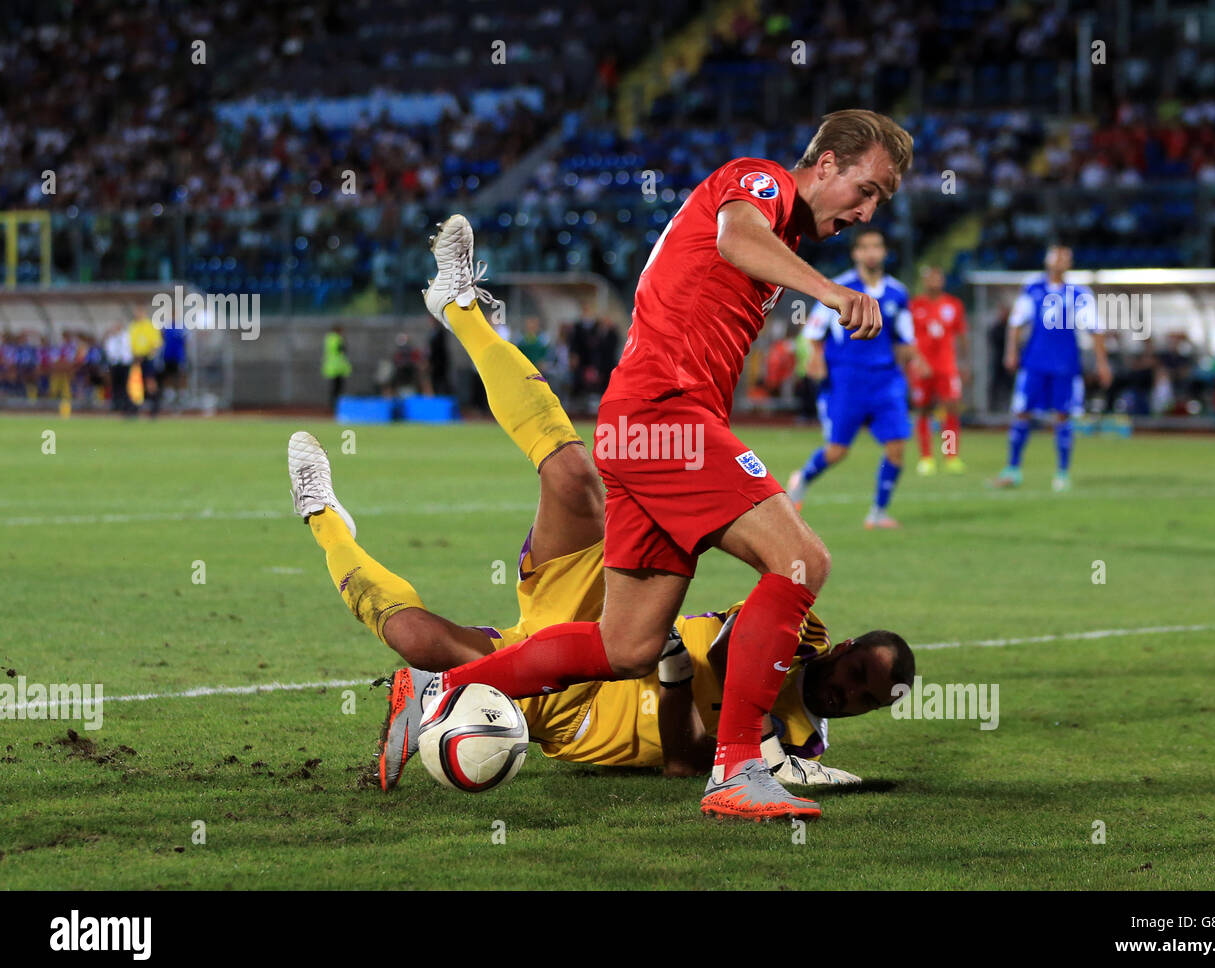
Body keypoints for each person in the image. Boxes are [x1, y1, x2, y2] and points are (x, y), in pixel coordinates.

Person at [402, 108, 912, 821]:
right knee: (801, 563)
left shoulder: (780, 230)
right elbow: (736, 236)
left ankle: (443, 689)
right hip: (666, 416)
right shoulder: (759, 183)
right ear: (825, 164)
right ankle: (736, 768)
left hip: (644, 424)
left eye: (879, 203)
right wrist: (830, 293)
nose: (865, 212)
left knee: (628, 645)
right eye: (868, 190)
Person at [286, 325, 914, 790]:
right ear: (845, 648)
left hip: (574, 713)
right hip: (605, 620)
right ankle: (462, 308)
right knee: (571, 478)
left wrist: (673, 676)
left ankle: (324, 521)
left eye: (865, 699)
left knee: (417, 640)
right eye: (857, 674)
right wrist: (762, 738)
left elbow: (683, 763)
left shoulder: (804, 746)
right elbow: (726, 651)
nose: (846, 693)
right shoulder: (802, 628)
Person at [785, 228, 923, 529]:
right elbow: (812, 334)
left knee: (897, 445)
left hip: (886, 380)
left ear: (884, 252)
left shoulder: (898, 293)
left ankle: (878, 512)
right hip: (847, 379)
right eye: (866, 247)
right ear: (856, 254)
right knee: (837, 451)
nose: (872, 252)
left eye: (877, 246)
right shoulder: (839, 289)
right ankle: (803, 478)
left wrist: (916, 360)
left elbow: (904, 337)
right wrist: (814, 361)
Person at [993, 244, 1111, 492]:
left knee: (1063, 415)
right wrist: (1011, 351)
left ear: (1070, 263)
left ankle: (1062, 473)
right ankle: (1013, 469)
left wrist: (1102, 362)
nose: (1059, 261)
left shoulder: (1079, 293)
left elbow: (1096, 328)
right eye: (1056, 256)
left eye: (1064, 257)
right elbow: (1016, 322)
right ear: (1047, 260)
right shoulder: (1033, 288)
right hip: (1034, 362)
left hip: (1065, 365)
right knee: (1022, 412)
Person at [909, 265, 971, 475]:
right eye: (931, 278)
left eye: (939, 277)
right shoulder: (914, 305)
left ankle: (950, 456)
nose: (935, 281)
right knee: (924, 410)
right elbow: (907, 338)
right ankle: (926, 458)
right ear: (924, 281)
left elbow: (961, 336)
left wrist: (964, 363)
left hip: (947, 367)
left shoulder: (953, 305)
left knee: (950, 410)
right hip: (922, 368)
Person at [322, 325, 351, 413]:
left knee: (334, 389)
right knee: (338, 389)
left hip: (332, 367)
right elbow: (341, 350)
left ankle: (333, 406)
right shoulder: (337, 338)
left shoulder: (328, 338)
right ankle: (336, 407)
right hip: (337, 368)